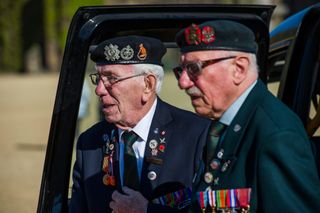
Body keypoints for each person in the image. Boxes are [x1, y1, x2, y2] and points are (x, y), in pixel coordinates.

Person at [173, 20, 320, 212]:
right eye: (180, 71)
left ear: (239, 69)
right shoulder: (226, 125)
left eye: (194, 69)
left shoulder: (275, 135)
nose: (183, 82)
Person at [69, 35, 211, 213]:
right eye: (98, 78)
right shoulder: (90, 143)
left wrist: (147, 211)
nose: (99, 90)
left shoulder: (197, 134)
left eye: (111, 78)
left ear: (148, 85)